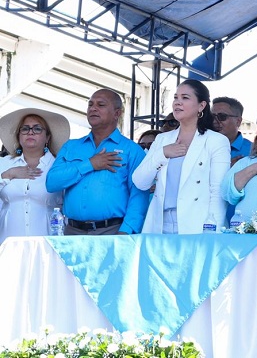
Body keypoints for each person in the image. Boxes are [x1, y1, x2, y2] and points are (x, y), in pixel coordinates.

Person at [133, 80, 231, 234]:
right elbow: (140, 182)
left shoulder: (216, 141)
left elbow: (217, 191)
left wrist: (212, 231)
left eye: (185, 98)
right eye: (175, 97)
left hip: (196, 226)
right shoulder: (162, 140)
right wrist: (163, 153)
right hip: (160, 225)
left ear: (201, 106)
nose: (178, 102)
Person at [47, 89, 148, 235]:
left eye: (100, 105)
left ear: (117, 113)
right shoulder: (71, 146)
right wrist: (90, 164)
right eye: (90, 105)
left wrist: (126, 232)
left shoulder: (132, 150)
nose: (93, 108)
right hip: (72, 232)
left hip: (112, 231)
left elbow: (139, 195)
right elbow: (52, 183)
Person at [0, 108, 70, 241]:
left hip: (47, 243)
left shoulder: (59, 166)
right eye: (25, 129)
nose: (30, 132)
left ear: (47, 137)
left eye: (37, 129)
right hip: (8, 244)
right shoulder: (3, 164)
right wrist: (8, 175)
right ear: (18, 136)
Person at [212, 97, 252, 165]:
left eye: (222, 116)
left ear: (238, 121)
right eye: (211, 117)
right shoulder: (200, 147)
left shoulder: (253, 151)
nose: (214, 121)